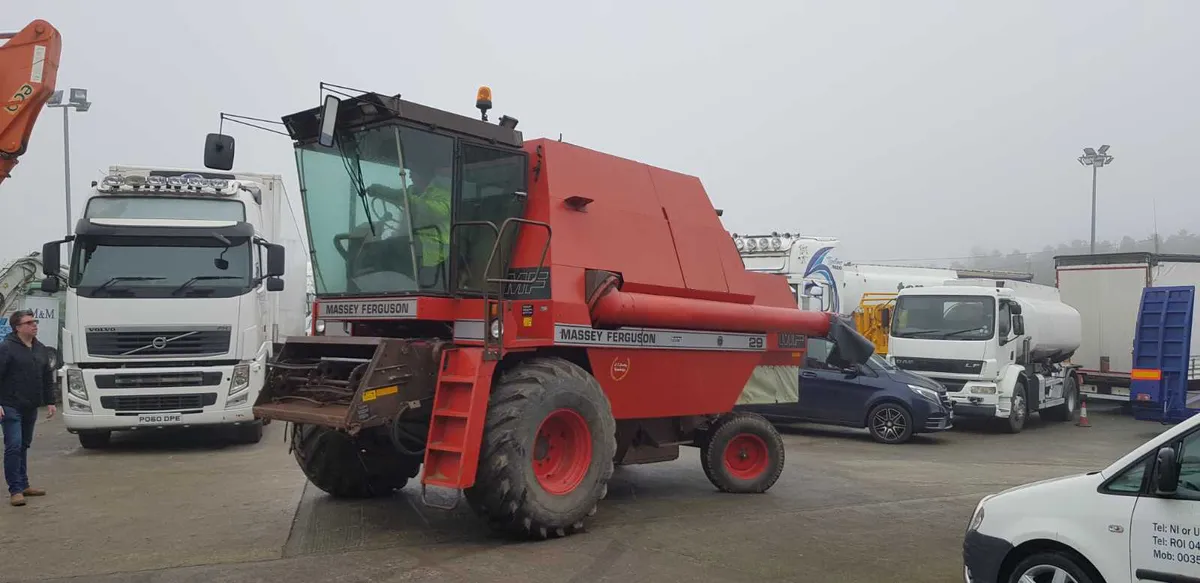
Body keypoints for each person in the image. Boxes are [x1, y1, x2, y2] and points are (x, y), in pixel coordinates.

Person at [0, 309, 57, 507]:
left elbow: (47, 377)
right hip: (9, 405)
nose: (34, 325)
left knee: (24, 444)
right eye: (29, 322)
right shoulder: (6, 348)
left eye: (35, 322)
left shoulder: (39, 348)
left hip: (30, 405)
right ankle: (15, 490)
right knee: (13, 445)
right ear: (17, 327)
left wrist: (50, 401)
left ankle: (24, 485)